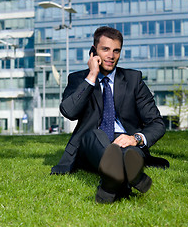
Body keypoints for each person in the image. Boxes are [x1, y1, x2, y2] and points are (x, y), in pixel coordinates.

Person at [51, 26, 169, 203]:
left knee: (130, 153)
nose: (111, 56)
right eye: (105, 49)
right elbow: (68, 111)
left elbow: (157, 123)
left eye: (116, 51)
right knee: (95, 135)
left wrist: (135, 138)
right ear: (94, 51)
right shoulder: (78, 79)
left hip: (125, 141)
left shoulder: (133, 79)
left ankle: (110, 186)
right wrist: (92, 75)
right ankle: (135, 177)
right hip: (92, 142)